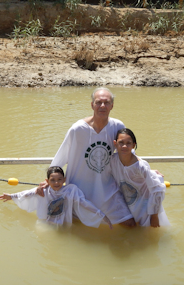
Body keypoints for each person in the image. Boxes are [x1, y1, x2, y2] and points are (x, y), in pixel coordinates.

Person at [37, 87, 136, 227]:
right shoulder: (78, 129)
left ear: (112, 106)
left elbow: (127, 153)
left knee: (130, 224)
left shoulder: (117, 126)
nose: (102, 106)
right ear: (92, 105)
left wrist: (147, 172)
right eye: (98, 102)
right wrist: (48, 181)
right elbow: (62, 155)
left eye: (106, 102)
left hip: (107, 189)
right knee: (77, 228)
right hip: (80, 190)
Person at [0, 166, 112, 229]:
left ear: (64, 180)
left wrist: (102, 215)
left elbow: (83, 203)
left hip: (64, 225)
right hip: (46, 224)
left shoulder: (70, 191)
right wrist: (11, 196)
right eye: (52, 180)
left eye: (59, 180)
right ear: (47, 181)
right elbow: (27, 194)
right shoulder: (43, 190)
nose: (56, 183)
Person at [110, 128, 169, 227]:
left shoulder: (141, 166)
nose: (124, 146)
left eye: (128, 143)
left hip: (146, 209)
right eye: (121, 142)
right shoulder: (112, 160)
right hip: (129, 206)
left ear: (134, 145)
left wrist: (154, 216)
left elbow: (157, 189)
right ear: (115, 144)